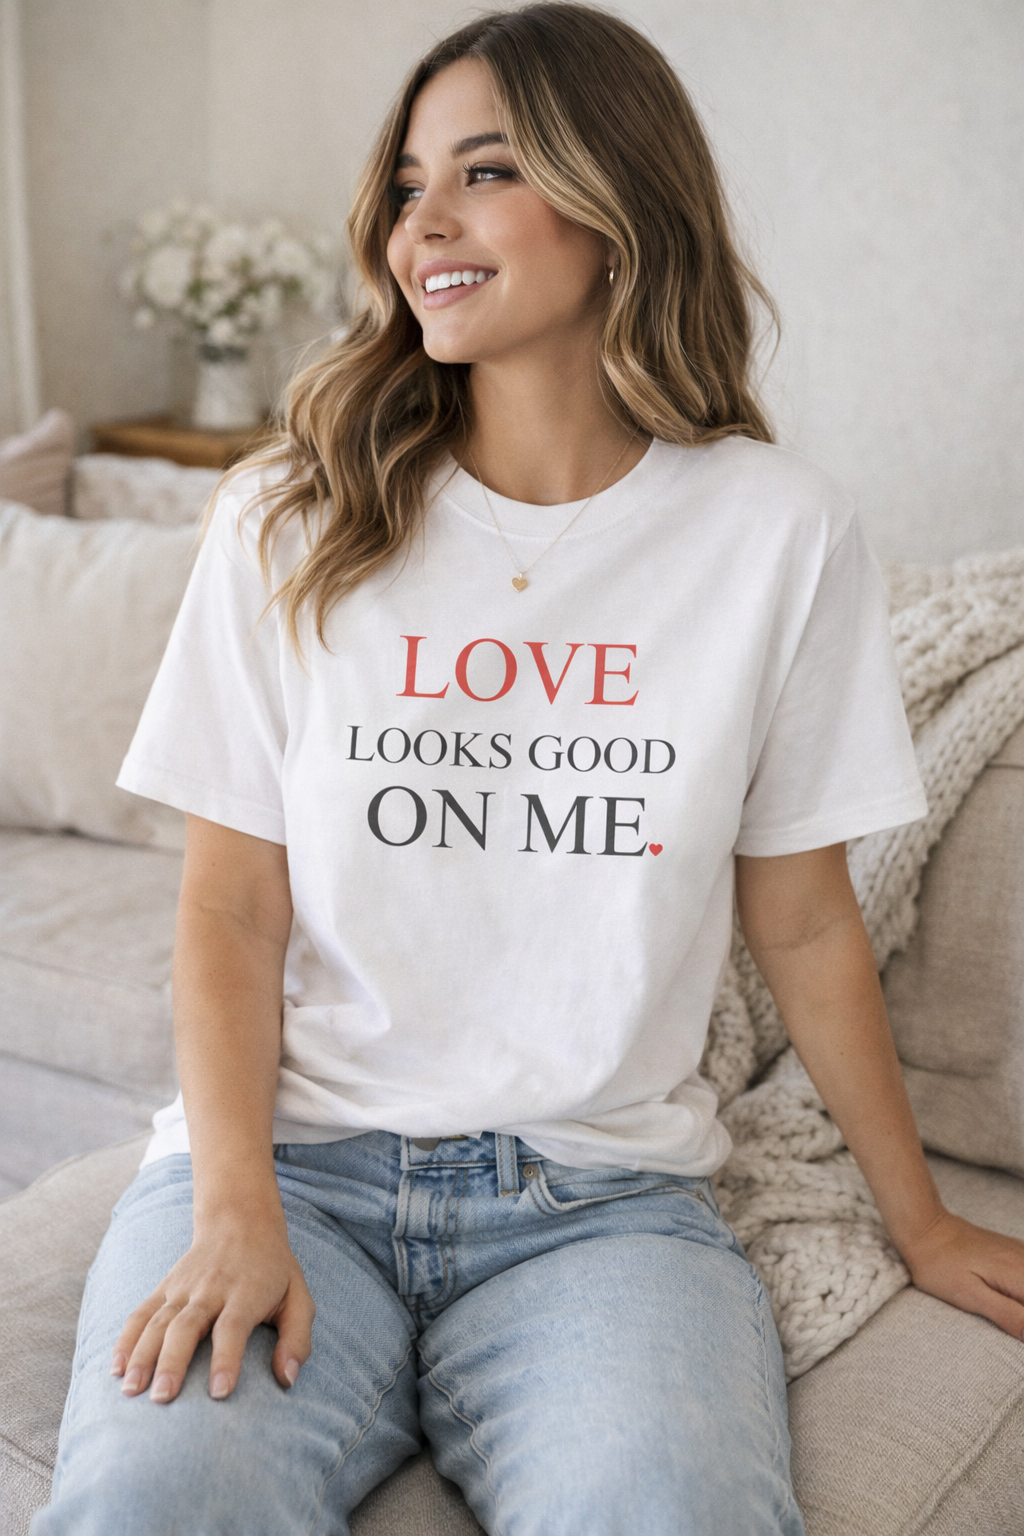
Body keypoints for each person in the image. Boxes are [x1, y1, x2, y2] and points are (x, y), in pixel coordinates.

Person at [34, 6, 1024, 1534]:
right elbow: (229, 909)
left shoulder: (776, 534)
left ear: (616, 202)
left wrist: (922, 1220)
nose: (422, 219)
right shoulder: (288, 517)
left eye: (483, 171)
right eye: (408, 181)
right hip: (299, 1170)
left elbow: (809, 918)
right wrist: (233, 1209)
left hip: (603, 1205)